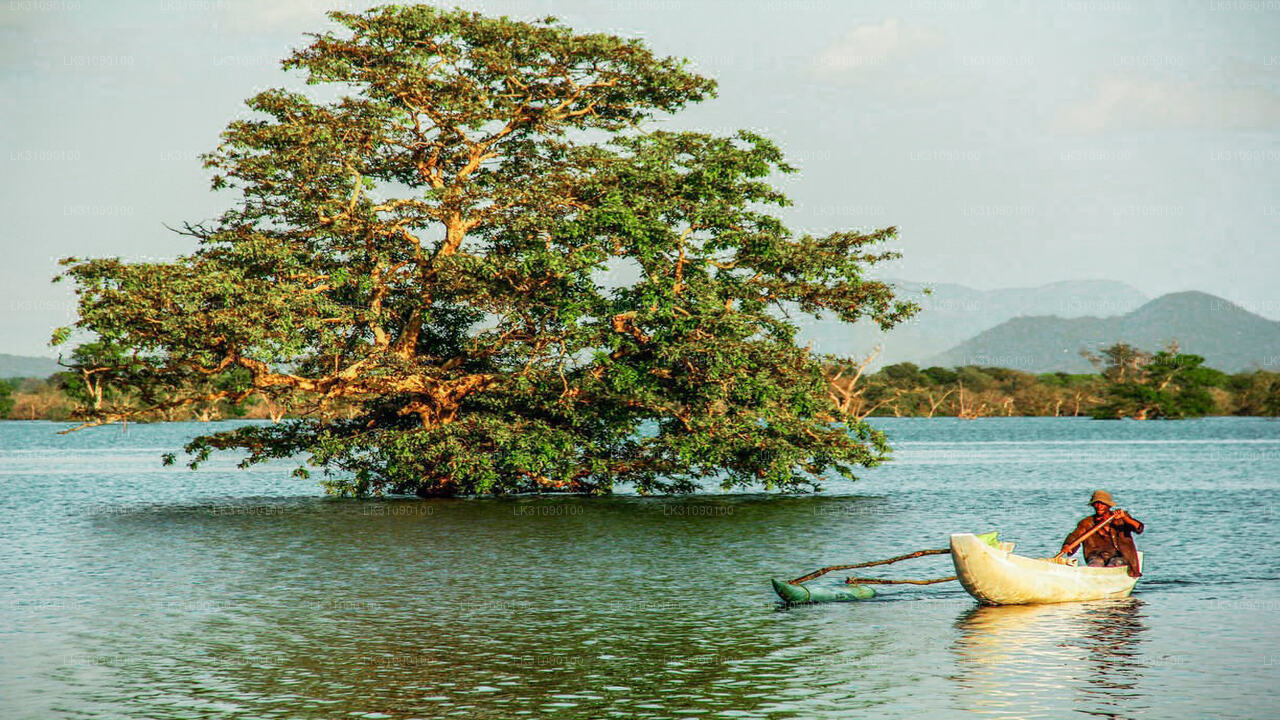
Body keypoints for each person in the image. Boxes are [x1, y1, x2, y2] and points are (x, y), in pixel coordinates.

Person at [1060, 490, 1143, 578]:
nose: (1099, 506)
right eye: (1096, 503)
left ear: (1108, 505)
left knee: (1115, 564)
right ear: (1093, 505)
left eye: (1102, 504)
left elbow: (1138, 528)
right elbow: (1075, 536)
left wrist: (1125, 518)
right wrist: (1067, 545)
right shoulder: (1087, 523)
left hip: (1121, 556)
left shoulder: (1121, 518)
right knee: (1095, 565)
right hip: (1096, 556)